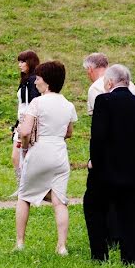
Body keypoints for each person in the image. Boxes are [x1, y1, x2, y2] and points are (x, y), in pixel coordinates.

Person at [83, 65, 135, 268]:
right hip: (134, 172)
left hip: (105, 172)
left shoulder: (103, 101)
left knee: (94, 208)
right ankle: (133, 258)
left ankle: (100, 255)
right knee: (133, 214)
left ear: (109, 82)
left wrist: (93, 163)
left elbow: (98, 138)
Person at [14, 61, 78, 255]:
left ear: (47, 82)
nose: (35, 83)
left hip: (39, 150)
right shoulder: (68, 104)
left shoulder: (37, 102)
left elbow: (25, 131)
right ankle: (61, 246)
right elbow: (69, 133)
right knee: (60, 201)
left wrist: (24, 148)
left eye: (38, 79)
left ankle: (20, 242)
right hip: (59, 153)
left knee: (24, 196)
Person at [11, 50, 41, 182]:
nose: (20, 65)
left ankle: (25, 185)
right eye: (19, 61)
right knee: (16, 156)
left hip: (27, 123)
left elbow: (33, 104)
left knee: (21, 156)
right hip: (21, 121)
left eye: (23, 62)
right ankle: (21, 183)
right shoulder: (25, 80)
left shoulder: (33, 80)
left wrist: (25, 123)